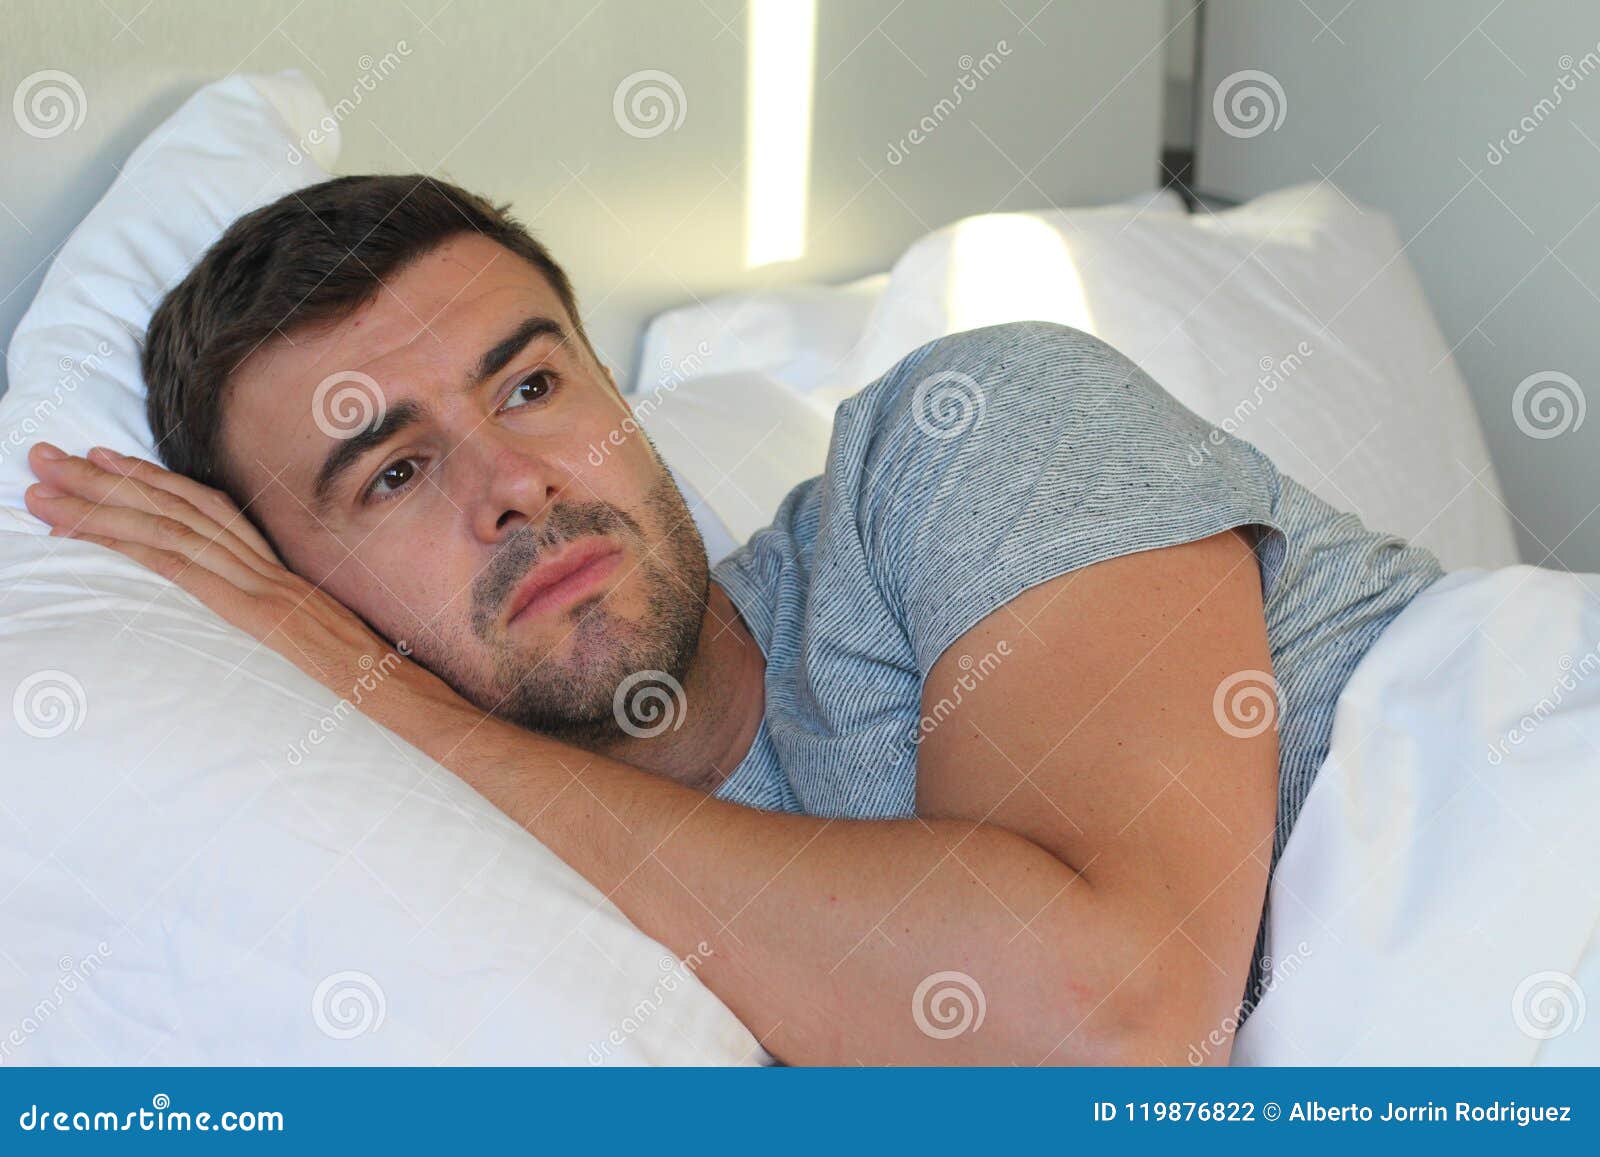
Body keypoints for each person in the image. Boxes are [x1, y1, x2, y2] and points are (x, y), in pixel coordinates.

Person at [23, 175, 1442, 1065]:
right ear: (307, 590)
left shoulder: (967, 435)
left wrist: (398, 703)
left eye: (531, 388)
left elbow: (1111, 1031)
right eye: (393, 472)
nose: (515, 484)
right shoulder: (523, 932)